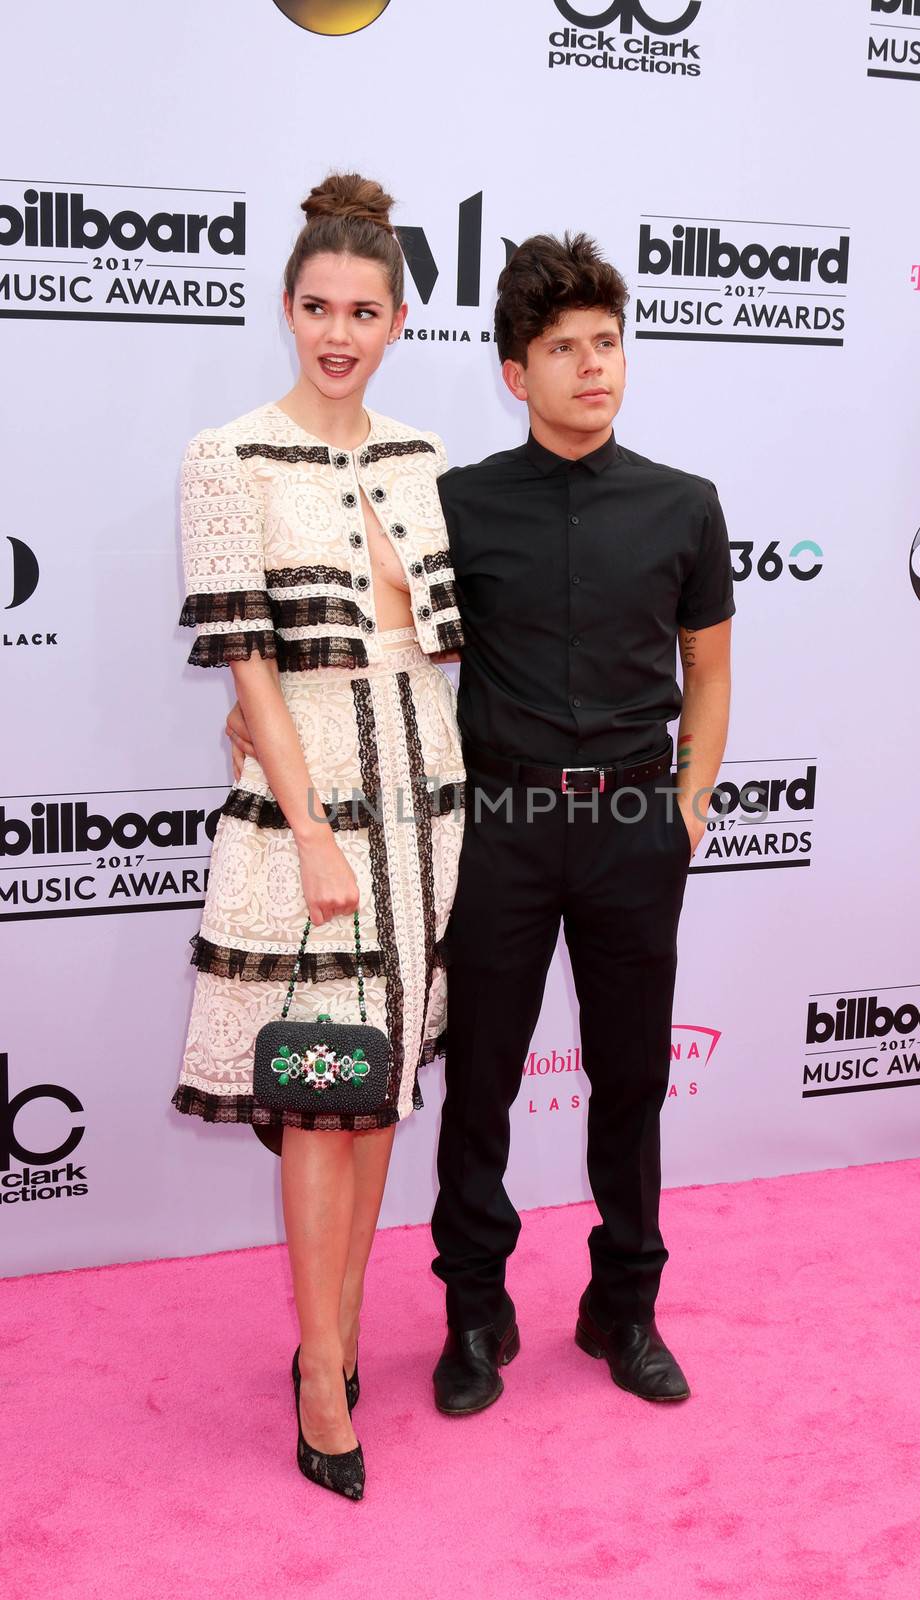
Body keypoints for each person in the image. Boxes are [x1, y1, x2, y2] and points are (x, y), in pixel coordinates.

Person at [173, 173, 465, 1500]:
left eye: (364, 310)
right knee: (318, 1090)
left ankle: (340, 1336)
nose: (338, 332)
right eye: (316, 308)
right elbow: (246, 668)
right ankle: (313, 1370)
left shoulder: (421, 460)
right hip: (313, 797)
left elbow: (448, 646)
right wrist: (310, 830)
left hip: (428, 797)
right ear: (285, 309)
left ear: (399, 318)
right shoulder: (224, 455)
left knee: (382, 1079)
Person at [427, 234, 734, 1414]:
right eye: (563, 349)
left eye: (605, 343)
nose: (591, 367)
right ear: (515, 372)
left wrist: (685, 809)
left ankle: (625, 1307)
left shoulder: (682, 505)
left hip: (630, 829)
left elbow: (705, 669)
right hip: (498, 824)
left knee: (631, 1082)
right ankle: (473, 1312)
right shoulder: (459, 505)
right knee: (483, 1083)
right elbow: (403, 658)